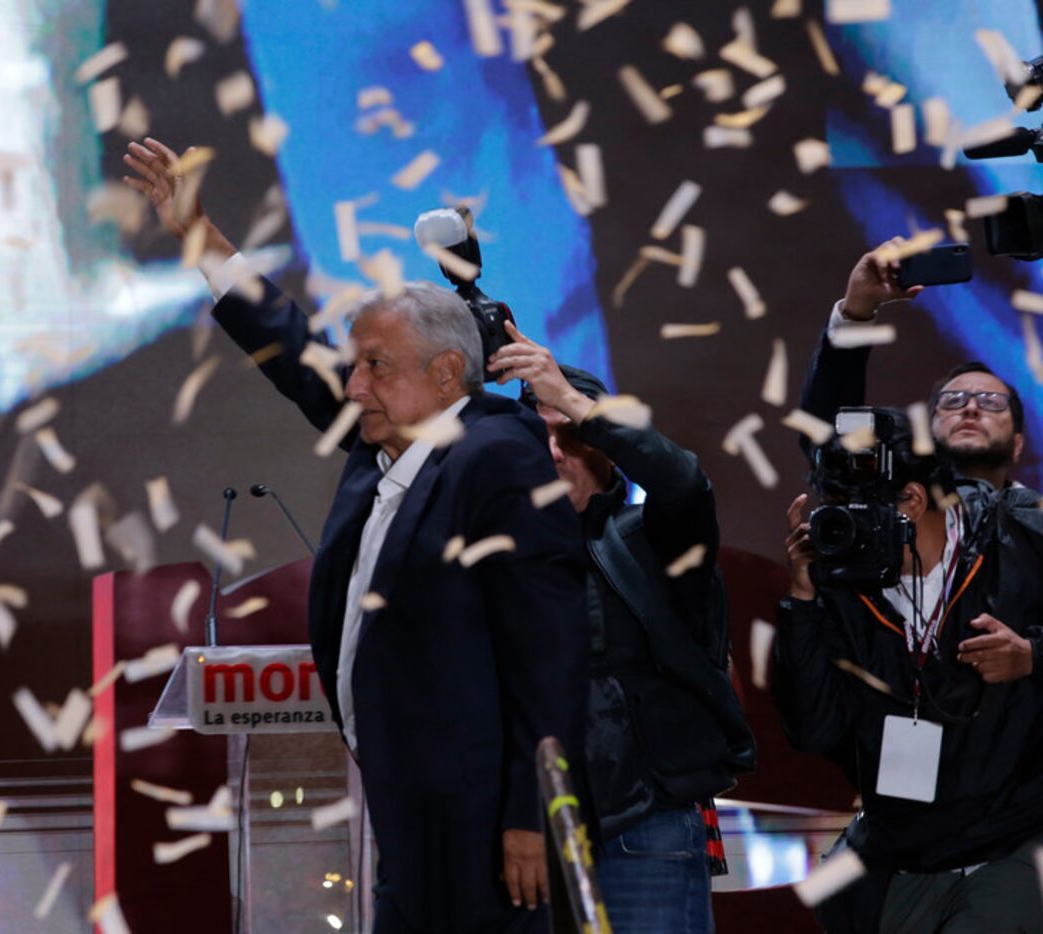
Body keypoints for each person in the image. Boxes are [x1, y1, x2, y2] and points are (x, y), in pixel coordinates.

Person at [125, 137, 590, 932]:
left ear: (448, 374)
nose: (353, 384)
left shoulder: (495, 456)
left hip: (486, 827)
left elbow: (549, 654)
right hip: (412, 811)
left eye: (375, 366)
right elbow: (293, 351)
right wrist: (198, 237)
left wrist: (531, 815)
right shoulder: (396, 439)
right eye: (356, 366)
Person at [489, 332, 755, 933]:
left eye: (573, 437)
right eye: (538, 440)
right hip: (523, 829)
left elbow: (685, 484)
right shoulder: (497, 560)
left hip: (646, 824)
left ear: (610, 452)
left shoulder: (650, 539)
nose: (553, 454)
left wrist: (572, 400)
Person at [775, 410, 1043, 933]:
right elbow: (814, 732)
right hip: (908, 846)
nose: (844, 527)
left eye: (857, 511)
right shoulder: (841, 581)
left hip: (1016, 838)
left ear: (914, 501)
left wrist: (1033, 656)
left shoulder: (1020, 540)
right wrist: (803, 600)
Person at [801, 239, 1029, 496]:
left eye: (991, 401)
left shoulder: (1035, 526)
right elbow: (825, 435)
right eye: (953, 400)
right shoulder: (889, 518)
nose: (970, 408)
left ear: (1017, 444)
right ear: (929, 434)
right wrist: (858, 306)